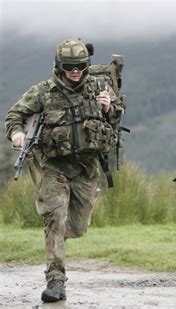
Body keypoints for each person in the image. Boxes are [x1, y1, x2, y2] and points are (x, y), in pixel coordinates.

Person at [4, 39, 124, 302]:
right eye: (69, 67)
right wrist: (18, 133)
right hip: (53, 167)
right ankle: (56, 279)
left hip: (87, 168)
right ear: (59, 66)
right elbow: (14, 116)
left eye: (80, 66)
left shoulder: (98, 87)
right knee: (55, 219)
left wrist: (108, 107)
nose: (75, 72)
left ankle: (55, 236)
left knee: (78, 227)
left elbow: (117, 116)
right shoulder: (43, 92)